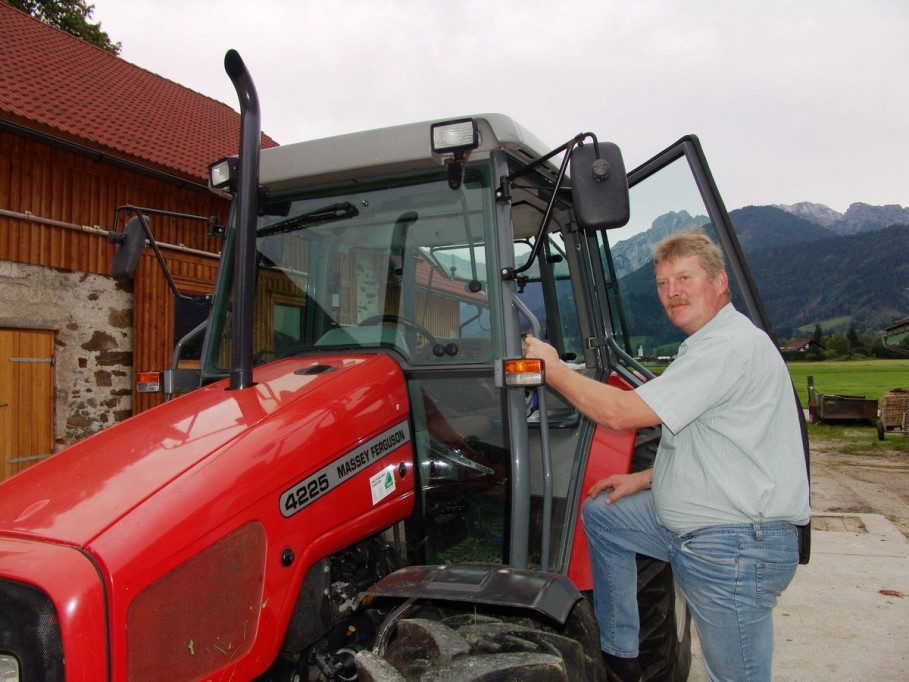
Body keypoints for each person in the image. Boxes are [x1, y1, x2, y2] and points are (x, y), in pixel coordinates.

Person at [523, 229, 810, 682]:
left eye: (684, 278)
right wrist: (645, 478)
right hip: (704, 524)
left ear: (719, 283)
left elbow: (620, 414)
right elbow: (715, 442)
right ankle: (621, 653)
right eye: (662, 283)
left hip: (733, 544)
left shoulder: (727, 347)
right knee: (606, 514)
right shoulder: (707, 345)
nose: (672, 293)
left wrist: (553, 369)